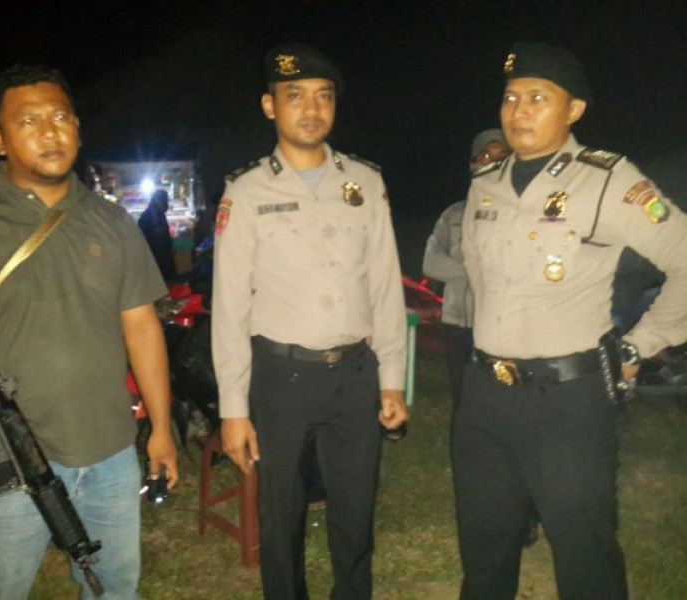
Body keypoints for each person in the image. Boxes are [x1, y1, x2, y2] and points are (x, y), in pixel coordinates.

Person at [0, 64, 178, 599]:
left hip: (111, 451)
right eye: (28, 121)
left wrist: (161, 426)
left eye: (61, 117)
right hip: (4, 453)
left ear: (78, 128)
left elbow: (140, 325)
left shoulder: (113, 222)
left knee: (115, 590)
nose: (50, 132)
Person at [455, 42, 687, 600]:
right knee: (484, 548)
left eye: (538, 98)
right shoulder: (486, 185)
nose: (519, 111)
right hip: (484, 396)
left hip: (567, 401)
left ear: (574, 110)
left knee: (584, 553)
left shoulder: (606, 180)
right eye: (511, 98)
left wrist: (638, 346)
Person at [211, 43, 408, 600]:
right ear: (269, 106)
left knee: (355, 513)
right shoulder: (246, 191)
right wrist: (233, 408)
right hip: (282, 377)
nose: (311, 109)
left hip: (355, 375)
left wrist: (391, 378)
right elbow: (229, 306)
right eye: (295, 96)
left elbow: (384, 285)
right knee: (281, 517)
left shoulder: (365, 182)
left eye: (323, 96)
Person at [423, 128, 509, 411]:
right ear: (473, 165)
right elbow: (430, 263)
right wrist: (475, 269)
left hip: (501, 322)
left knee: (499, 397)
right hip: (457, 324)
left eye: (501, 156)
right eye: (485, 156)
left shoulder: (520, 215)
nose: (493, 162)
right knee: (462, 394)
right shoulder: (454, 214)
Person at [138, 188, 177, 282]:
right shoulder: (147, 217)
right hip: (154, 259)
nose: (167, 204)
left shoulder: (159, 215)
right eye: (165, 201)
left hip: (162, 257)